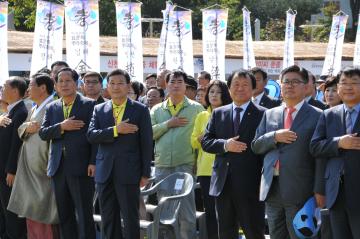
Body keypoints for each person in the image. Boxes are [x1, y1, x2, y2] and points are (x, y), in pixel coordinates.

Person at [251, 65, 325, 239]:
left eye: (295, 82)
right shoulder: (270, 114)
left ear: (306, 86)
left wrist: (319, 189)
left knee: (300, 235)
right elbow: (256, 145)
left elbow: (321, 156)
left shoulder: (318, 115)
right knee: (276, 235)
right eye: (286, 82)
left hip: (301, 189)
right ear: (280, 85)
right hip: (272, 187)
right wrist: (274, 136)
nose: (289, 85)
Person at [87, 69, 152, 239]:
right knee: (108, 217)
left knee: (130, 217)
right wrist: (116, 130)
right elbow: (91, 135)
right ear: (106, 87)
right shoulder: (99, 109)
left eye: (120, 83)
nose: (116, 87)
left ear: (128, 86)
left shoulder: (140, 109)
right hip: (104, 171)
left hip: (129, 171)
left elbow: (146, 143)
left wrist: (146, 172)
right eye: (112, 83)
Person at [201, 70, 266, 239]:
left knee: (254, 231)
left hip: (251, 185)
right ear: (229, 89)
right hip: (223, 184)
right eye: (236, 84)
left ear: (253, 89)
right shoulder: (219, 113)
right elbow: (206, 142)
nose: (240, 88)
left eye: (245, 85)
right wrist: (225, 145)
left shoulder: (263, 113)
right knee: (225, 232)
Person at [39, 67, 96, 239]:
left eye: (68, 80)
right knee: (64, 214)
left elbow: (94, 139)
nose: (64, 84)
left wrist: (93, 161)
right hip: (58, 168)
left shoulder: (90, 105)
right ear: (55, 85)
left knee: (84, 214)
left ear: (76, 83)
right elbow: (43, 133)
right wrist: (61, 127)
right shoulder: (52, 107)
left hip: (82, 167)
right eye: (60, 81)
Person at [151, 70, 204, 239]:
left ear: (185, 85)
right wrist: (168, 124)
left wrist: (197, 161)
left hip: (186, 164)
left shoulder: (196, 108)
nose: (175, 85)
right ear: (166, 85)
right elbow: (149, 134)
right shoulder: (157, 109)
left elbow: (202, 137)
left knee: (186, 210)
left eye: (179, 82)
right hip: (162, 165)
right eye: (172, 82)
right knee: (164, 210)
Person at [310, 66, 360, 239]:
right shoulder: (328, 114)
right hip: (335, 193)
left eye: (354, 83)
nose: (348, 87)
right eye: (344, 83)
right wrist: (339, 142)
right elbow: (315, 147)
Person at [7, 74, 59, 239]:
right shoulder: (34, 107)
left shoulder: (53, 106)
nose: (28, 89)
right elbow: (22, 129)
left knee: (44, 214)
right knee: (31, 213)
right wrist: (26, 127)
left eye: (31, 86)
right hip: (30, 168)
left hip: (43, 168)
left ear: (42, 88)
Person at [191, 80, 232, 239]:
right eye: (212, 92)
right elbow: (193, 141)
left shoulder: (229, 113)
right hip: (206, 170)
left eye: (218, 92)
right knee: (210, 210)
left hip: (225, 168)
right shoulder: (202, 115)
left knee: (225, 210)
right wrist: (203, 138)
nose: (214, 95)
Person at [0, 77, 28, 239]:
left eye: (4, 87)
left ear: (15, 91)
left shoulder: (21, 112)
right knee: (3, 210)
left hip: (8, 173)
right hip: (2, 170)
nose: (2, 90)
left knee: (10, 211)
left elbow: (15, 145)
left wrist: (11, 169)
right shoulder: (10, 111)